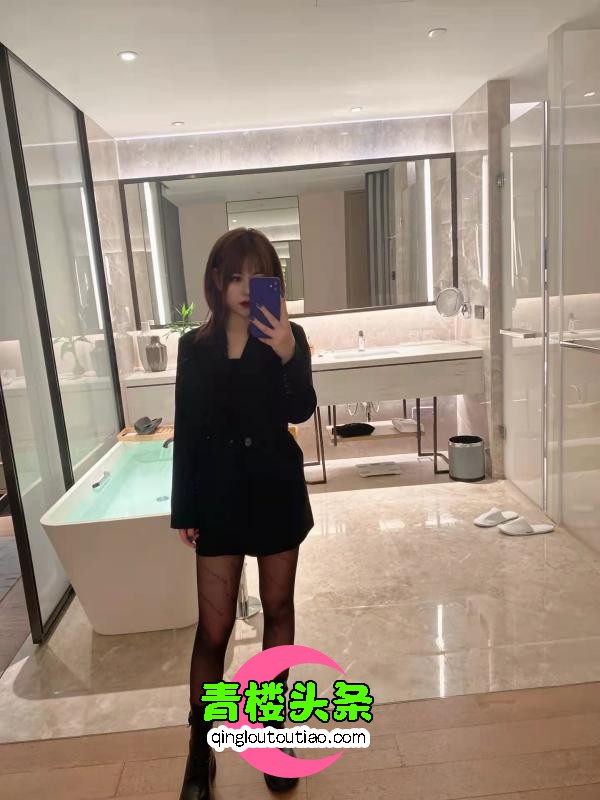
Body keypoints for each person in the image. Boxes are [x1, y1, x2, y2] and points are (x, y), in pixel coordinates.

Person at [170, 227, 317, 799]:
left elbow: (300, 410)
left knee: (278, 609)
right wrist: (185, 506)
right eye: (234, 276)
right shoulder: (194, 346)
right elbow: (187, 431)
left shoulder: (289, 337)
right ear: (216, 280)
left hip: (276, 490)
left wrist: (288, 355)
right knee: (214, 629)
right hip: (219, 497)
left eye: (256, 277)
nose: (243, 288)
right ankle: (199, 750)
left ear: (272, 283)